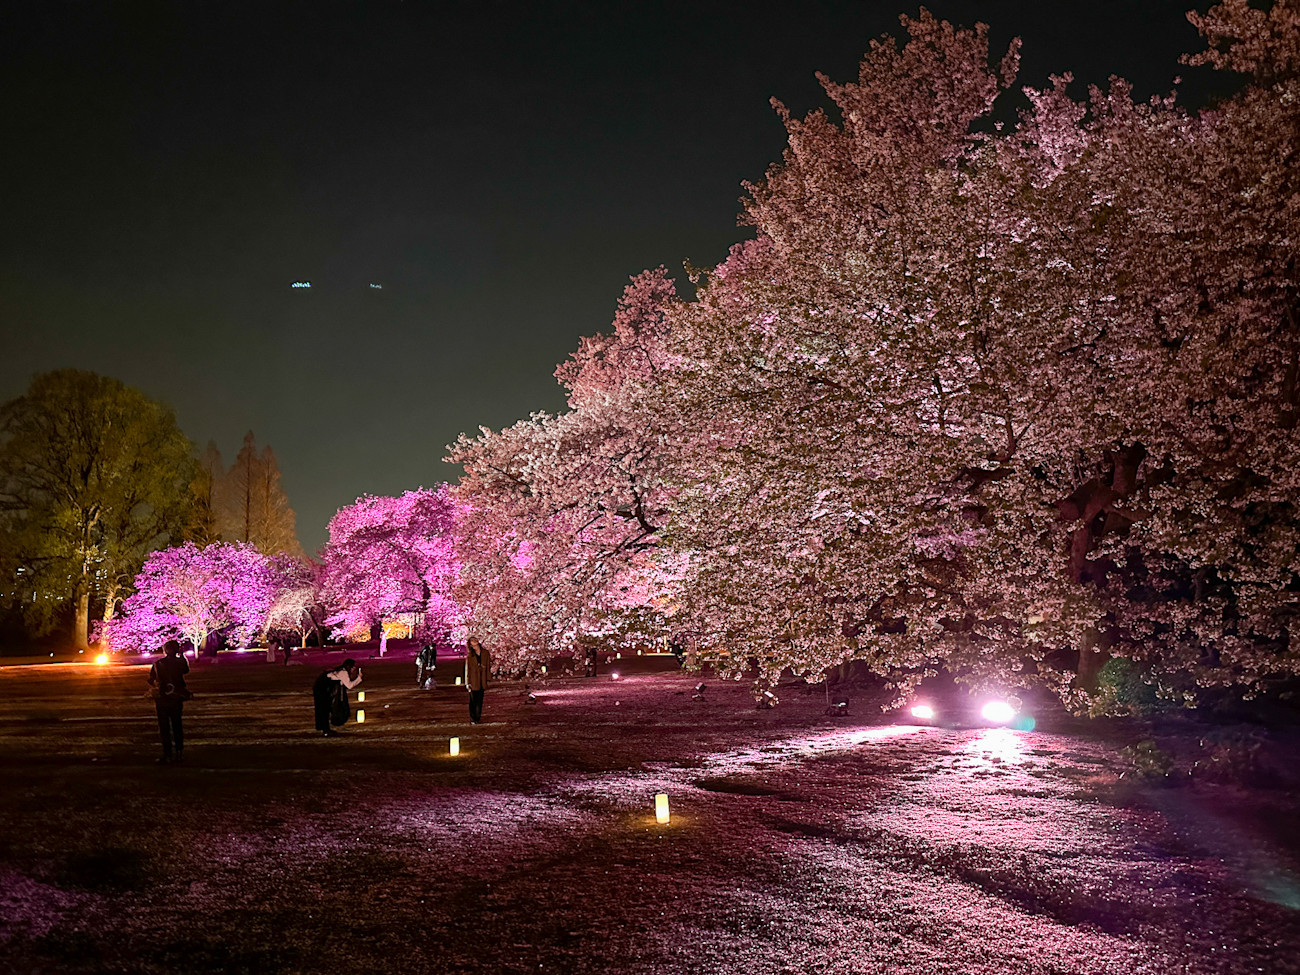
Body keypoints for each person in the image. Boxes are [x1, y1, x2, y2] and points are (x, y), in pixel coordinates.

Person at [148, 640, 192, 764]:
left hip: (162, 698)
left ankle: (167, 753)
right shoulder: (179, 662)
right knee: (177, 725)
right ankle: (179, 752)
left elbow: (151, 679)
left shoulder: (158, 663)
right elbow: (186, 670)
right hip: (176, 697)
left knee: (164, 727)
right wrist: (182, 656)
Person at [313, 658, 362, 736]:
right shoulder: (343, 672)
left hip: (323, 688)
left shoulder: (342, 671)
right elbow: (349, 685)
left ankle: (325, 729)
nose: (353, 670)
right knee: (324, 709)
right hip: (322, 688)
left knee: (324, 709)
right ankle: (325, 730)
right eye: (353, 667)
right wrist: (359, 678)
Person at [465, 637, 491, 724]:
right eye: (472, 640)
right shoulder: (470, 656)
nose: (474, 641)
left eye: (475, 639)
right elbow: (467, 670)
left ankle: (478, 717)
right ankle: (473, 717)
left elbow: (488, 666)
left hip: (482, 679)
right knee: (473, 700)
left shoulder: (485, 653)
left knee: (480, 700)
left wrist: (488, 678)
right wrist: (467, 682)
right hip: (473, 680)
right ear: (470, 644)